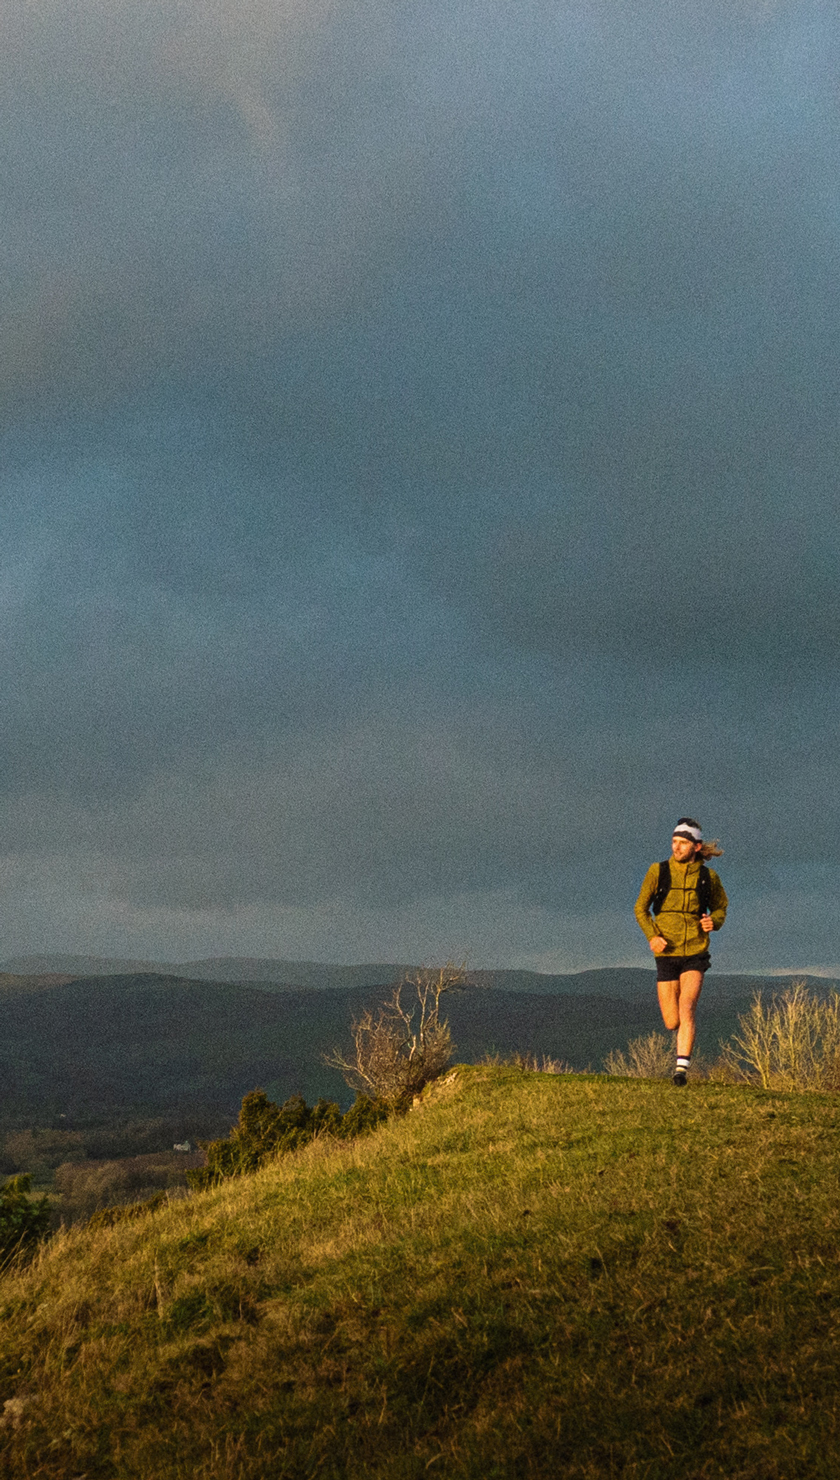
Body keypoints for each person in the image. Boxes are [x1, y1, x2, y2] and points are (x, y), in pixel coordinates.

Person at [634, 817, 728, 1086]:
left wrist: (715, 921)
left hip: (696, 951)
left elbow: (721, 907)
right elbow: (640, 908)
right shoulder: (658, 871)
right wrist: (652, 936)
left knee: (687, 1008)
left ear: (696, 847)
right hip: (666, 952)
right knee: (671, 1020)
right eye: (674, 842)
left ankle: (680, 1071)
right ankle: (680, 1057)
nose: (676, 847)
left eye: (682, 843)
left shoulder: (709, 878)